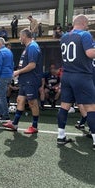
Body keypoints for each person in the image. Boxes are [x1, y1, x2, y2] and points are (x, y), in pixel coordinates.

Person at [57, 15, 95, 149]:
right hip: (82, 75)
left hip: (67, 75)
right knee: (91, 107)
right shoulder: (85, 35)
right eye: (87, 24)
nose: (88, 26)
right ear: (83, 23)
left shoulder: (64, 37)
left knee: (64, 106)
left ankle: (61, 136)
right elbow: (90, 53)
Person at [4, 28, 42, 134]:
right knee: (20, 100)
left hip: (31, 79)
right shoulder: (28, 47)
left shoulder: (33, 47)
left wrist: (18, 72)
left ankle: (34, 126)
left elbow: (32, 65)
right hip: (25, 80)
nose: (20, 38)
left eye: (20, 36)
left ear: (25, 36)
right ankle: (14, 124)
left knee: (32, 102)